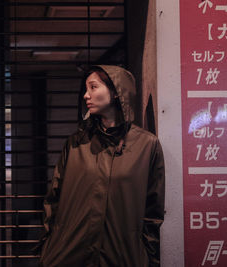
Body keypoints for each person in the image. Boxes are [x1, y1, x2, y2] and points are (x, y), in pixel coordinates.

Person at [37, 65, 165, 267]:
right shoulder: (76, 144)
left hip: (123, 257)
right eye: (86, 90)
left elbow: (153, 212)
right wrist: (47, 246)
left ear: (115, 92)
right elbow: (53, 200)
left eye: (93, 87)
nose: (86, 95)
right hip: (68, 255)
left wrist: (149, 258)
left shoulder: (146, 146)